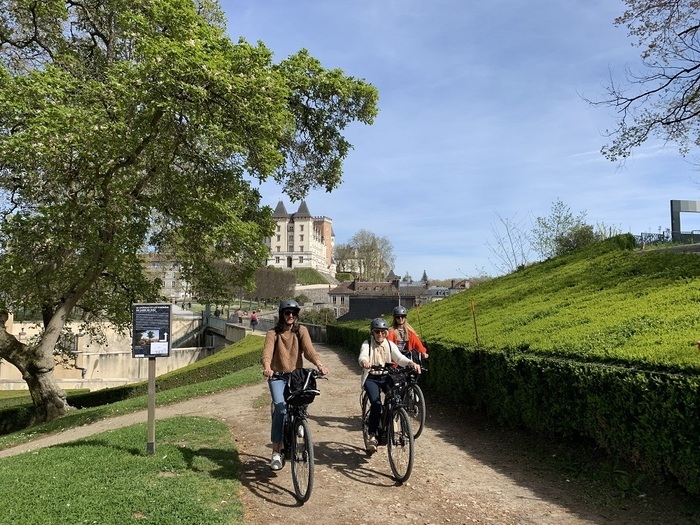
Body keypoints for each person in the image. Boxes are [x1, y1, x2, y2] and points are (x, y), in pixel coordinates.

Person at [260, 299, 328, 470]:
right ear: (281, 314)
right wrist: (268, 368)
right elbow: (267, 353)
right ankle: (276, 452)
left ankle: (300, 420)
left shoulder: (301, 331)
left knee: (305, 395)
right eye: (287, 313)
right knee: (280, 408)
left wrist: (319, 364)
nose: (290, 316)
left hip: (295, 376)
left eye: (294, 313)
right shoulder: (273, 334)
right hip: (277, 376)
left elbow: (309, 351)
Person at [359, 317, 421, 453]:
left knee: (395, 397)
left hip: (386, 376)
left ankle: (391, 422)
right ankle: (372, 436)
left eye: (382, 332)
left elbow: (399, 358)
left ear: (386, 333)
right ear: (372, 332)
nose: (380, 334)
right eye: (377, 332)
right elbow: (363, 355)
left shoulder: (389, 344)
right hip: (371, 377)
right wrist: (365, 362)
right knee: (376, 404)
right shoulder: (367, 344)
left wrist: (411, 363)